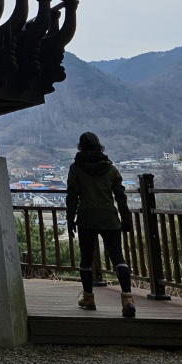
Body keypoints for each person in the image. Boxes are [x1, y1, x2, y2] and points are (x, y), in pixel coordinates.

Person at [66, 131, 136, 318]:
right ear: (99, 146)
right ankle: (127, 299)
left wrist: (70, 220)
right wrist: (126, 219)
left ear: (81, 146)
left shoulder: (76, 169)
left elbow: (72, 196)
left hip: (86, 218)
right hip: (109, 218)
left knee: (86, 260)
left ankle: (88, 297)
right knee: (118, 258)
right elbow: (121, 197)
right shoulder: (110, 169)